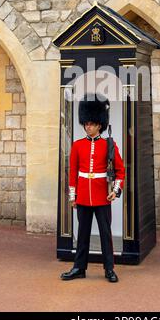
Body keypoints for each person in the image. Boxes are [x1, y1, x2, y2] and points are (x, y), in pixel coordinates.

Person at [60, 93, 125, 283]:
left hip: (102, 196)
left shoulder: (108, 145)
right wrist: (73, 196)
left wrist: (116, 190)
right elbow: (73, 173)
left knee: (105, 234)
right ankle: (79, 267)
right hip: (83, 197)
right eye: (86, 123)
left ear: (99, 124)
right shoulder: (78, 145)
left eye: (91, 123)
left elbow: (120, 172)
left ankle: (109, 269)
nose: (88, 127)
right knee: (82, 235)